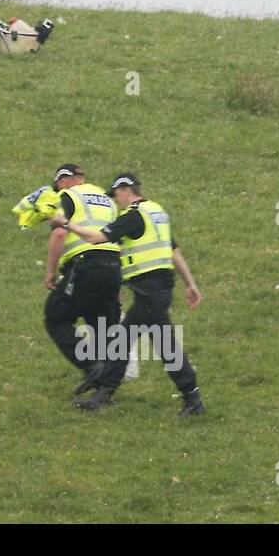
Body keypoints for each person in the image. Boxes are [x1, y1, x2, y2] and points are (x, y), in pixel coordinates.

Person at [53, 172, 206, 415]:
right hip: (160, 289)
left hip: (149, 293)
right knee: (148, 343)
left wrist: (65, 223)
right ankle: (189, 398)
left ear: (125, 189)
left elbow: (96, 238)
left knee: (154, 345)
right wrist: (190, 283)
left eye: (117, 195)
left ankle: (189, 397)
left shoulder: (133, 216)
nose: (117, 201)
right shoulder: (157, 212)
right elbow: (173, 250)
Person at [41, 163, 126, 405]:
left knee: (55, 317)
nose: (57, 188)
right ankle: (103, 393)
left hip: (85, 267)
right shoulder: (108, 202)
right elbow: (117, 239)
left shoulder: (68, 196)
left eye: (57, 184)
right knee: (103, 328)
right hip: (112, 268)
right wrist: (119, 286)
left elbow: (58, 233)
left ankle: (91, 368)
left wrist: (50, 272)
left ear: (65, 180)